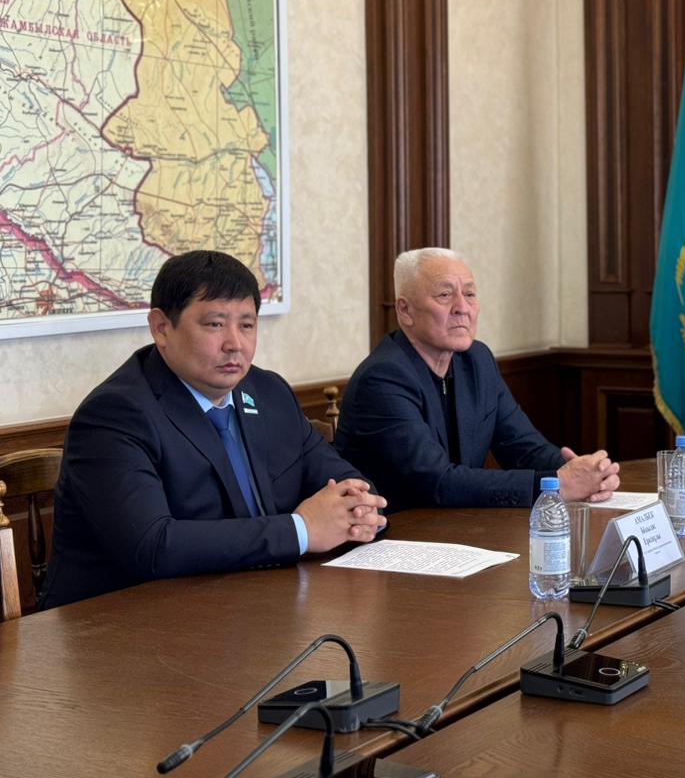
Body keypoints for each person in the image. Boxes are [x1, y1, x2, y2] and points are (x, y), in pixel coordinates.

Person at [40, 251, 386, 609]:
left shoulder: (269, 393)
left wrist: (357, 511)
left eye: (247, 325)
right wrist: (301, 530)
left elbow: (355, 488)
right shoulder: (115, 415)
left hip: (250, 608)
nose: (234, 343)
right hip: (120, 622)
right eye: (215, 324)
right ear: (161, 328)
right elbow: (152, 547)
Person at [336, 247, 621, 509]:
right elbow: (438, 482)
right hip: (398, 534)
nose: (462, 307)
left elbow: (523, 447)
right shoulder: (382, 378)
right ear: (405, 310)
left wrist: (584, 472)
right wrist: (557, 485)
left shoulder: (477, 360)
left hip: (459, 527)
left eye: (470, 294)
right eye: (445, 295)